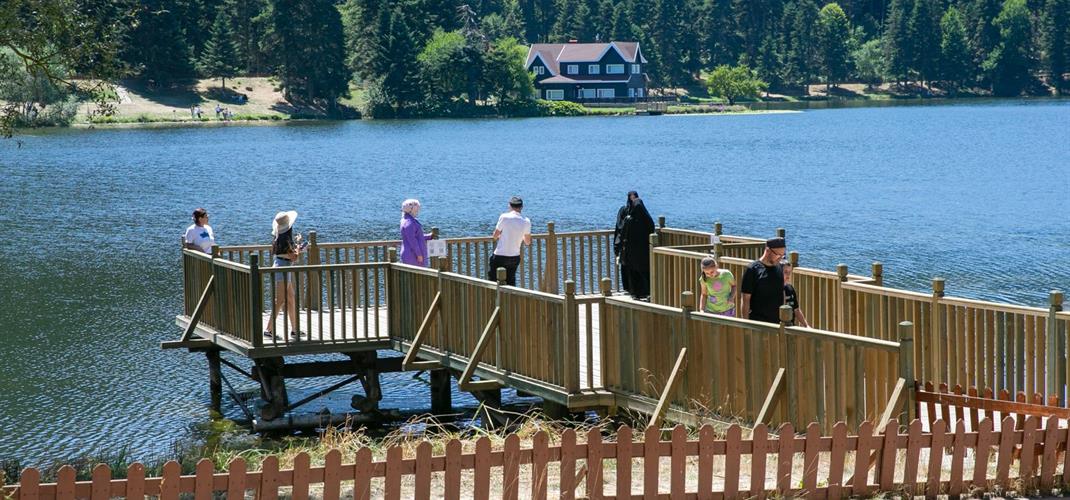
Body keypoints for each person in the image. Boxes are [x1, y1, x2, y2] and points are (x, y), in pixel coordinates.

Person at [265, 210, 305, 339]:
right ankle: (268, 329)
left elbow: (289, 254)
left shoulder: (280, 238)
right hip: (282, 269)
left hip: (283, 267)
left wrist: (296, 245)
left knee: (291, 298)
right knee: (280, 300)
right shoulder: (285, 240)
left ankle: (294, 329)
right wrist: (299, 247)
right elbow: (294, 257)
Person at [612, 190, 655, 299]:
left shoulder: (632, 219)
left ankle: (638, 293)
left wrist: (618, 247)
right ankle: (640, 292)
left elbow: (622, 233)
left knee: (637, 272)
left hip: (637, 251)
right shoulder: (630, 215)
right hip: (638, 251)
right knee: (637, 272)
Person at [740, 237, 787, 323]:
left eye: (783, 255)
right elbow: (745, 299)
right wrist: (745, 324)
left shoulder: (780, 268)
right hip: (758, 322)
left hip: (777, 323)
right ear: (767, 250)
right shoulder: (752, 269)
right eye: (778, 255)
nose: (780, 258)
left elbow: (782, 292)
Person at [489, 196, 532, 286]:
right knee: (511, 282)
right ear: (521, 207)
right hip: (514, 257)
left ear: (510, 206)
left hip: (500, 255)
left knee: (493, 281)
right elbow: (527, 242)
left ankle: (496, 295)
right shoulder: (526, 221)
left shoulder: (504, 217)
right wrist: (520, 236)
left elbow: (495, 236)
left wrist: (500, 235)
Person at [399, 199, 433, 266]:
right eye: (417, 209)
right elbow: (412, 240)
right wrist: (419, 255)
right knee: (416, 272)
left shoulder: (408, 220)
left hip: (413, 254)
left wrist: (429, 236)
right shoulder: (409, 222)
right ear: (412, 210)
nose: (418, 211)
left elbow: (417, 236)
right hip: (412, 255)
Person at [782, 259, 811, 328]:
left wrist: (806, 326)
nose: (788, 275)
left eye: (789, 272)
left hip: (791, 326)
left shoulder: (790, 288)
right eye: (785, 272)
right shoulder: (773, 289)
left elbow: (796, 310)